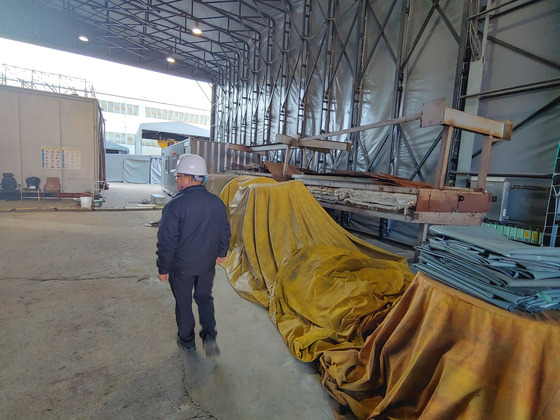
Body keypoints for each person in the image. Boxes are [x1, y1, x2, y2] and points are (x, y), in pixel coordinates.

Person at [156, 153, 231, 357]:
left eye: (179, 175)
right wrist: (221, 252)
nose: (177, 180)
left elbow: (166, 241)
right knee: (204, 298)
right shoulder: (217, 203)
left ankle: (187, 341)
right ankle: (209, 337)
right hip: (207, 265)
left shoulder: (175, 206)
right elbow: (225, 230)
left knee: (184, 302)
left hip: (181, 267)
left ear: (189, 177)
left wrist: (163, 268)